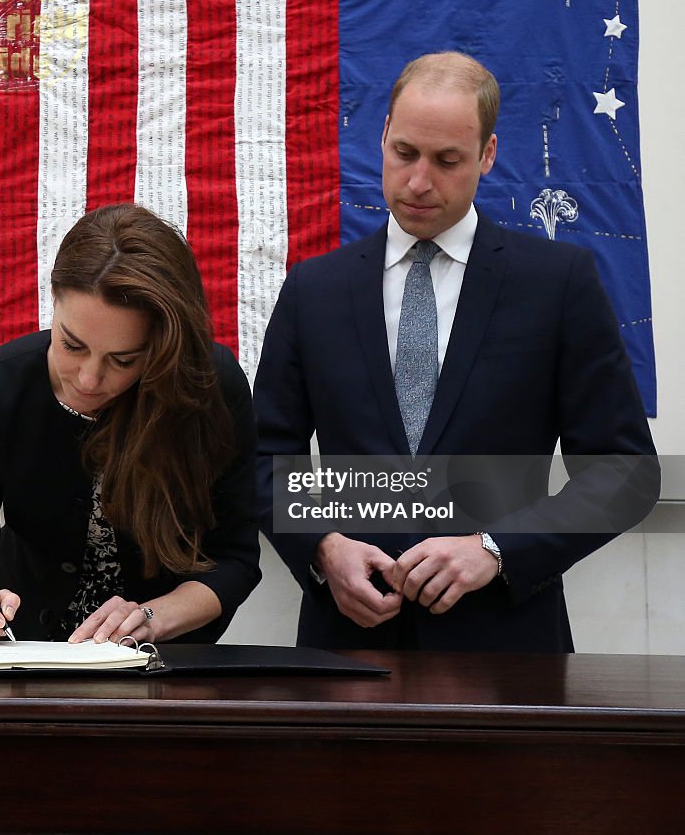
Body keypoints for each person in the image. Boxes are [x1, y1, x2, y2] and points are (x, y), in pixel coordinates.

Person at [255, 51, 659, 652]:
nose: (419, 182)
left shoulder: (557, 283)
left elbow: (624, 473)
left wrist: (496, 551)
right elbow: (259, 456)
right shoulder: (315, 289)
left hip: (508, 650)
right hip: (348, 650)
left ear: (488, 155)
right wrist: (323, 546)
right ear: (384, 135)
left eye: (447, 161)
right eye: (405, 153)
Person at [0, 203, 261, 645]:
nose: (88, 379)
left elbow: (236, 559)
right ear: (53, 302)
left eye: (123, 360)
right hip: (27, 653)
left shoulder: (210, 385)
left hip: (166, 662)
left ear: (162, 347)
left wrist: (152, 618)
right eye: (71, 344)